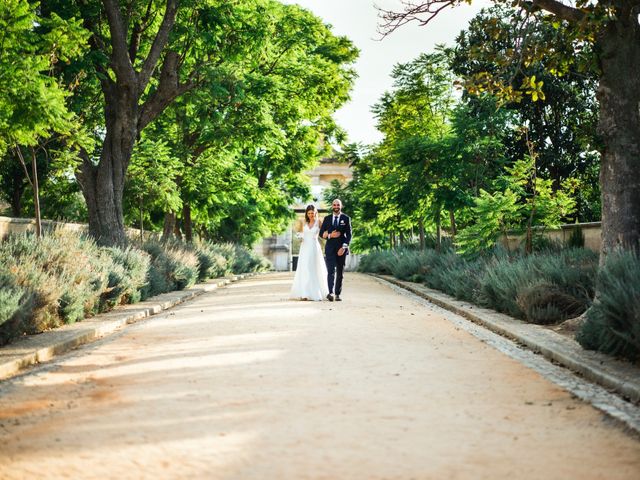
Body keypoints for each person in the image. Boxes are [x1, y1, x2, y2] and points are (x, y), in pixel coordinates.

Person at [290, 205, 329, 301]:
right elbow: (298, 232)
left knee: (312, 267)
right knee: (305, 268)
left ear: (315, 213)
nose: (311, 215)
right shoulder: (303, 222)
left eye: (313, 213)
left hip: (314, 247)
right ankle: (305, 293)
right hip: (305, 247)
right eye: (309, 213)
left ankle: (315, 293)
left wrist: (328, 234)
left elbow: (325, 232)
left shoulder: (319, 222)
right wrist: (300, 237)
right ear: (306, 214)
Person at [319, 199, 352, 302]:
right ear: (332, 206)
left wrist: (344, 247)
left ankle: (337, 293)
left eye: (338, 205)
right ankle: (331, 292)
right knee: (330, 271)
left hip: (341, 249)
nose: (336, 206)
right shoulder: (327, 218)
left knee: (340, 273)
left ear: (341, 206)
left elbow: (349, 234)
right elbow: (321, 233)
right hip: (330, 249)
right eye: (334, 205)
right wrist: (330, 235)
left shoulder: (346, 218)